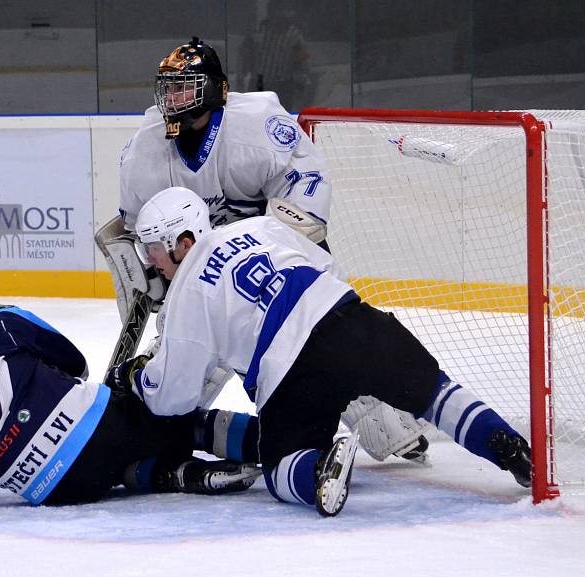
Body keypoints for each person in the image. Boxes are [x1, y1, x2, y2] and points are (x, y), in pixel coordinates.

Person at [98, 35, 431, 464]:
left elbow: (307, 196)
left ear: (216, 89)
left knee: (333, 363)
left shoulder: (255, 127)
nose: (174, 98)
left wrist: (262, 253)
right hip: (204, 282)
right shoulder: (145, 151)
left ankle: (397, 420)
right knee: (169, 389)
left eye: (186, 86)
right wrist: (153, 278)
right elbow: (133, 232)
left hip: (272, 275)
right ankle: (165, 432)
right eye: (169, 88)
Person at [105, 186, 533, 517]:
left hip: (291, 370)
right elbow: (327, 266)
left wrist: (138, 376)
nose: (149, 261)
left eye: (152, 248)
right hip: (350, 317)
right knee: (433, 393)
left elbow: (173, 398)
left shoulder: (186, 293)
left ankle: (318, 471)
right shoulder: (256, 226)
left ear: (182, 241)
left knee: (278, 470)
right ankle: (508, 446)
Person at [0, 283, 259, 508]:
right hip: (97, 429)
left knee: (117, 470)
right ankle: (268, 440)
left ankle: (181, 474)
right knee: (177, 421)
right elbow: (76, 364)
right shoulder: (0, 319)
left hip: (54, 490)